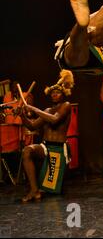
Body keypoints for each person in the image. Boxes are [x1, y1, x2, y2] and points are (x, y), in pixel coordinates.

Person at [19, 70, 74, 202]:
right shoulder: (47, 111)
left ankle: (42, 188)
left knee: (52, 191)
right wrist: (22, 115)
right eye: (53, 93)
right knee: (27, 151)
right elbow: (32, 126)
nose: (54, 94)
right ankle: (34, 190)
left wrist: (34, 109)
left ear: (63, 94)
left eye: (58, 92)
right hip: (45, 147)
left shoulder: (66, 106)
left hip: (58, 150)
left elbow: (54, 120)